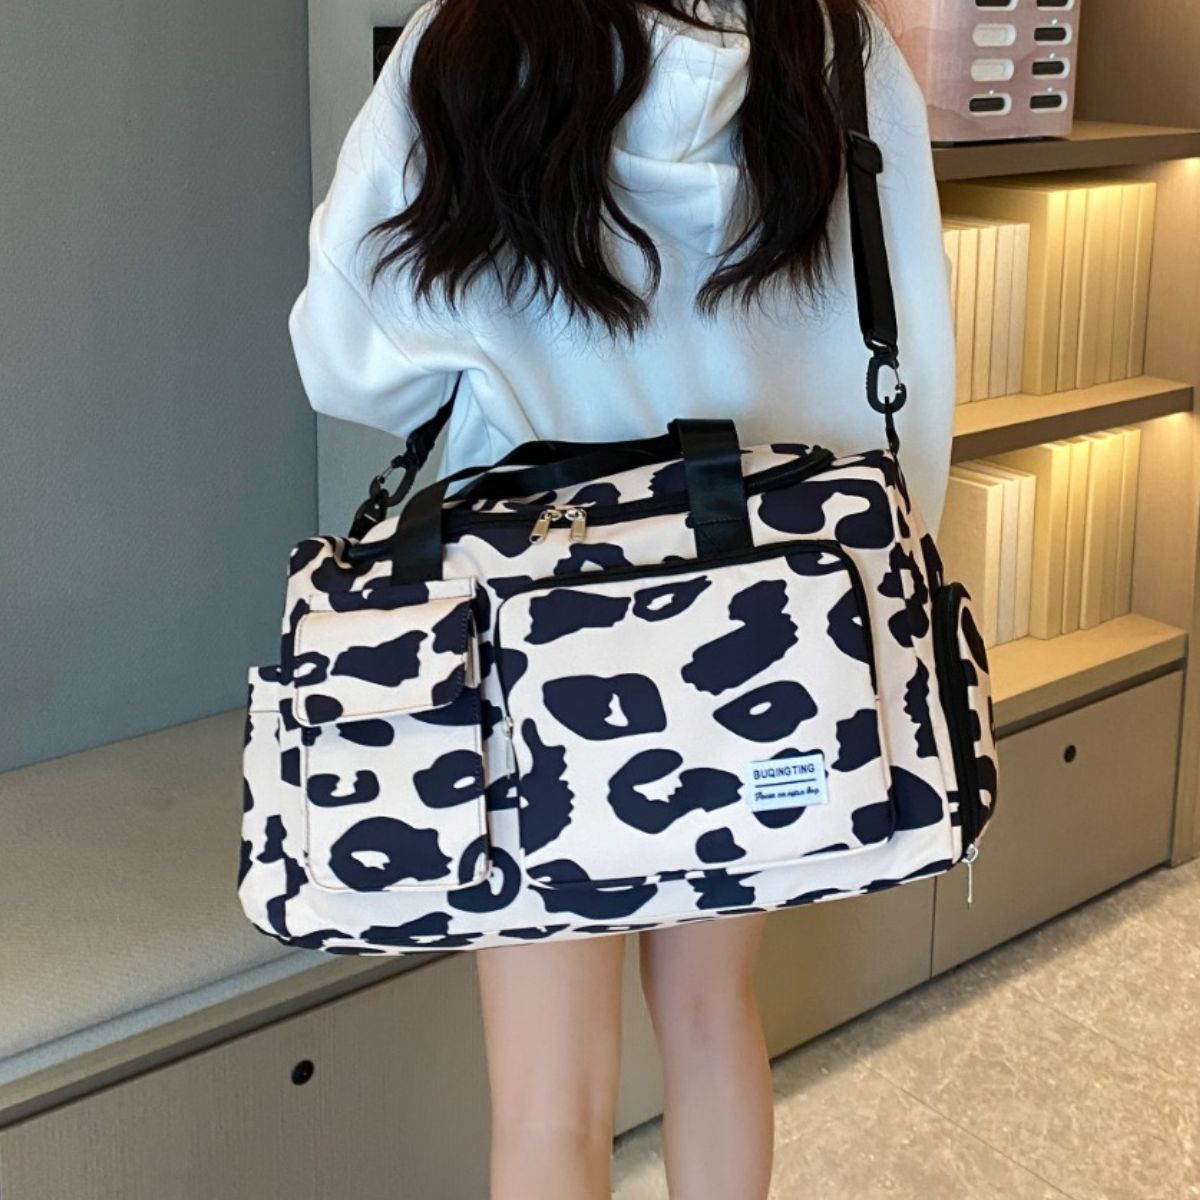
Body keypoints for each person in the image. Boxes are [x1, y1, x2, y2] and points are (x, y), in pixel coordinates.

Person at [286, 1, 954, 1195]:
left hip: (522, 628)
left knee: (549, 1100)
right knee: (712, 1010)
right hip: (763, 620)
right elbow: (900, 348)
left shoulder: (472, 35)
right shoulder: (834, 40)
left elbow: (344, 353)